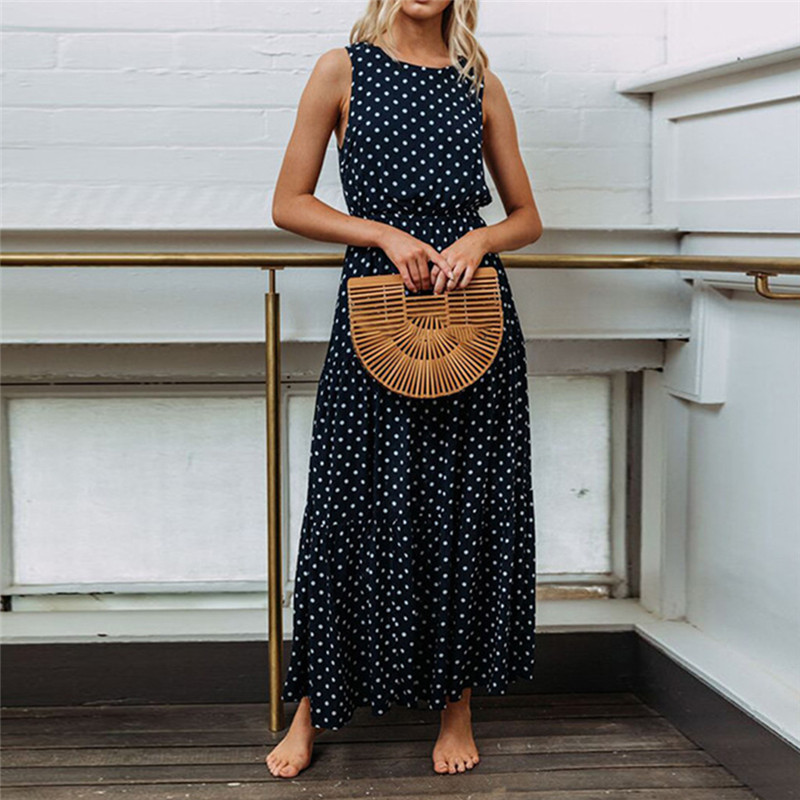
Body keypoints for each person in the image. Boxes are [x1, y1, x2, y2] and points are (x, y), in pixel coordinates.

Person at [266, 0, 542, 779]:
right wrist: (383, 233)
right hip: (375, 311)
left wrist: (480, 237)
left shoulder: (478, 81)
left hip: (473, 315)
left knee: (465, 506)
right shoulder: (342, 69)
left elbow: (527, 218)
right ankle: (311, 708)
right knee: (348, 506)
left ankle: (456, 707)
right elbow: (289, 203)